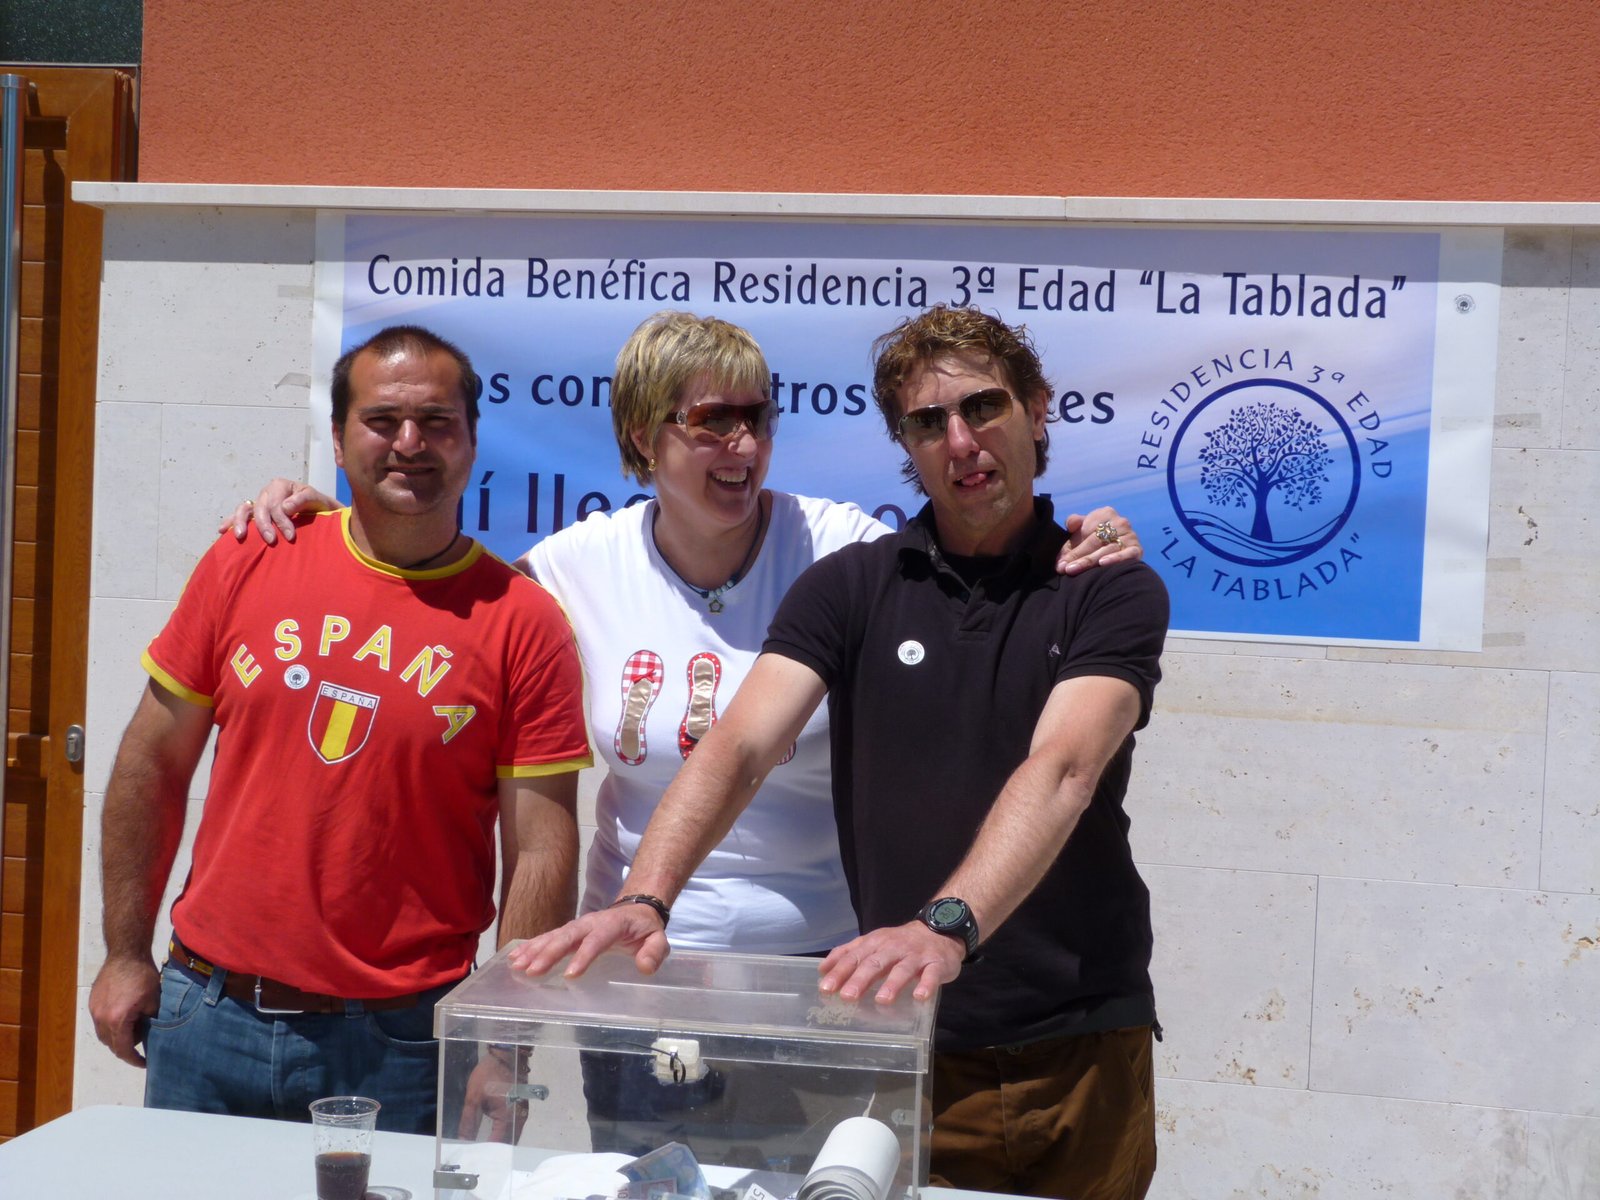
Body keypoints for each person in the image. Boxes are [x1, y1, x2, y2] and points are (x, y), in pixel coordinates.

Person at [512, 306, 1169, 1200]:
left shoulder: (1108, 588)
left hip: (1072, 1038)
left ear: (1039, 409)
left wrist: (945, 926)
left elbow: (1063, 770)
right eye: (928, 423)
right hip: (901, 1034)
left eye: (984, 407)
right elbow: (740, 744)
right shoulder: (853, 583)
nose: (962, 441)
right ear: (906, 444)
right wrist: (645, 897)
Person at [87, 325, 593, 1135]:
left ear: (471, 442)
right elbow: (152, 762)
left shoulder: (523, 623)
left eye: (436, 422)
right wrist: (122, 952)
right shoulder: (251, 556)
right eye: (382, 420)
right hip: (207, 1018)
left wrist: (503, 1047)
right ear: (336, 436)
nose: (409, 443)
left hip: (400, 1043)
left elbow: (539, 850)